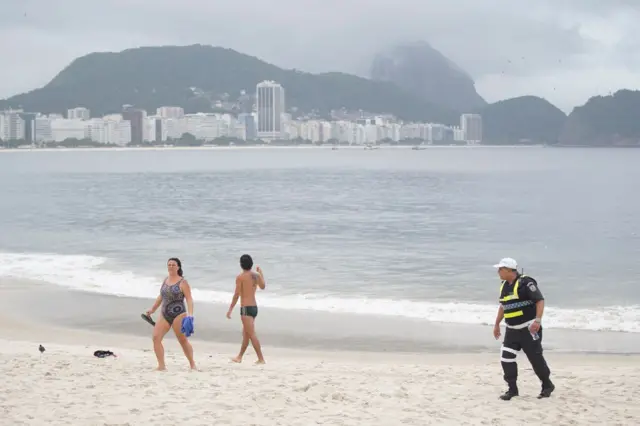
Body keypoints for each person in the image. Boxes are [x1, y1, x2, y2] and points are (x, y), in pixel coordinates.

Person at [493, 257, 555, 400]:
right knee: (506, 358)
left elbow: (540, 300)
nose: (498, 272)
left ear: (509, 270)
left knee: (535, 359)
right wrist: (496, 324)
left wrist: (537, 321)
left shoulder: (526, 283)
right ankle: (512, 390)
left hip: (528, 329)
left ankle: (547, 385)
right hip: (511, 330)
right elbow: (503, 306)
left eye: (500, 269)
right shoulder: (504, 286)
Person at [146, 257, 196, 371]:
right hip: (164, 313)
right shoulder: (165, 280)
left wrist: (190, 314)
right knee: (156, 338)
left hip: (179, 314)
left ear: (178, 267)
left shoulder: (183, 282)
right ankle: (161, 366)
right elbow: (161, 296)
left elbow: (189, 299)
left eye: (173, 265)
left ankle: (192, 364)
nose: (171, 266)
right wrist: (153, 309)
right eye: (169, 265)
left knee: (182, 340)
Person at [226, 254, 266, 364]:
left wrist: (230, 309)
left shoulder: (240, 277)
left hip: (246, 309)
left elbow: (236, 294)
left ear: (241, 264)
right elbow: (263, 287)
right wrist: (261, 273)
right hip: (254, 308)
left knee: (251, 334)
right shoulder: (256, 275)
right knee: (246, 334)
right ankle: (239, 357)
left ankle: (261, 358)